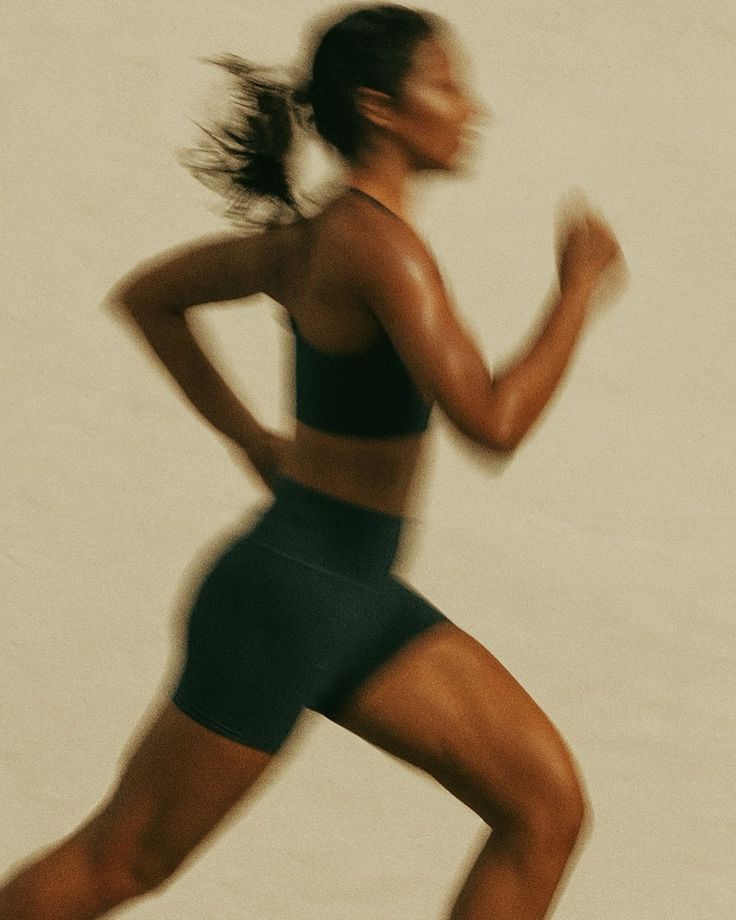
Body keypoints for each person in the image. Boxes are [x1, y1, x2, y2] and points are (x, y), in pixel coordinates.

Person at [0, 4, 627, 919]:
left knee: (543, 806)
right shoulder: (380, 248)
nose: (471, 108)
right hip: (291, 598)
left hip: (354, 596)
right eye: (447, 85)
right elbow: (491, 422)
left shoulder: (321, 237)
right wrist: (574, 292)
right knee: (120, 862)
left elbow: (151, 298)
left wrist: (253, 440)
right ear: (381, 106)